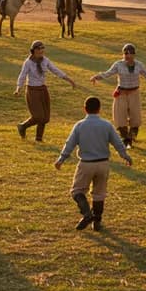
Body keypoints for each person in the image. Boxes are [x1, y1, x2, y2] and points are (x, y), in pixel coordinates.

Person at [55, 96, 132, 231]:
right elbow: (118, 143)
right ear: (99, 109)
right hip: (103, 164)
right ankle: (97, 223)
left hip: (86, 164)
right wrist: (125, 156)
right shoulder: (107, 125)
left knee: (77, 191)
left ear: (85, 109)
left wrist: (61, 159)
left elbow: (70, 144)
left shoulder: (79, 125)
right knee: (99, 194)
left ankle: (86, 214)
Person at [89, 43, 146, 147]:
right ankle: (125, 139)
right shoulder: (118, 64)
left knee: (135, 117)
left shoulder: (139, 65)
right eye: (125, 54)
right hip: (121, 93)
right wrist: (96, 77)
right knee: (120, 117)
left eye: (130, 54)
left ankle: (131, 137)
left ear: (134, 55)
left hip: (134, 93)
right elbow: (108, 73)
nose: (127, 56)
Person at [15, 40, 78, 142]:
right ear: (34, 50)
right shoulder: (28, 62)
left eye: (43, 48)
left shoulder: (45, 60)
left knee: (45, 117)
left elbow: (56, 70)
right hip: (32, 90)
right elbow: (22, 75)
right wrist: (18, 88)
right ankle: (23, 126)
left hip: (43, 90)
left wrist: (69, 80)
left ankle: (38, 139)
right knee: (38, 116)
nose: (41, 51)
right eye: (39, 48)